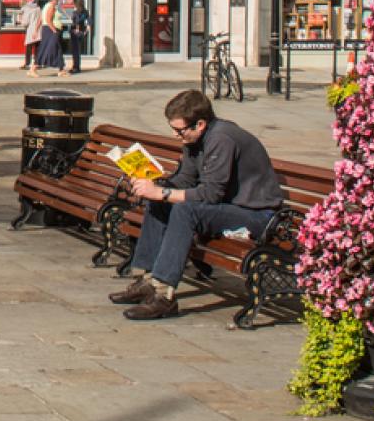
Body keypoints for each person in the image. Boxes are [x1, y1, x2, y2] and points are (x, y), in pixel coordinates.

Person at [110, 90, 285, 320]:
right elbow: (186, 180)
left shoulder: (222, 139)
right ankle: (147, 279)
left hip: (256, 214)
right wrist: (155, 184)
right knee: (159, 202)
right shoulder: (194, 139)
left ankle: (164, 295)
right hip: (228, 208)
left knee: (184, 209)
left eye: (180, 130)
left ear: (200, 124)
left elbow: (210, 194)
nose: (176, 135)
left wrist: (162, 192)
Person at [37, 0, 67, 74]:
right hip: (52, 30)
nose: (58, 1)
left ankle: (61, 69)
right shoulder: (51, 6)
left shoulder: (46, 6)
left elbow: (41, 19)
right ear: (53, 0)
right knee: (48, 49)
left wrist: (36, 30)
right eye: (57, 0)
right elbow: (48, 20)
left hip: (49, 29)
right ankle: (33, 68)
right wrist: (54, 30)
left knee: (57, 49)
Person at [22, 0, 45, 77]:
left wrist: (21, 21)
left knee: (29, 48)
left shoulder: (28, 9)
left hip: (31, 31)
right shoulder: (39, 9)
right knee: (37, 48)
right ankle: (37, 63)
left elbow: (25, 23)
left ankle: (27, 64)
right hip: (38, 30)